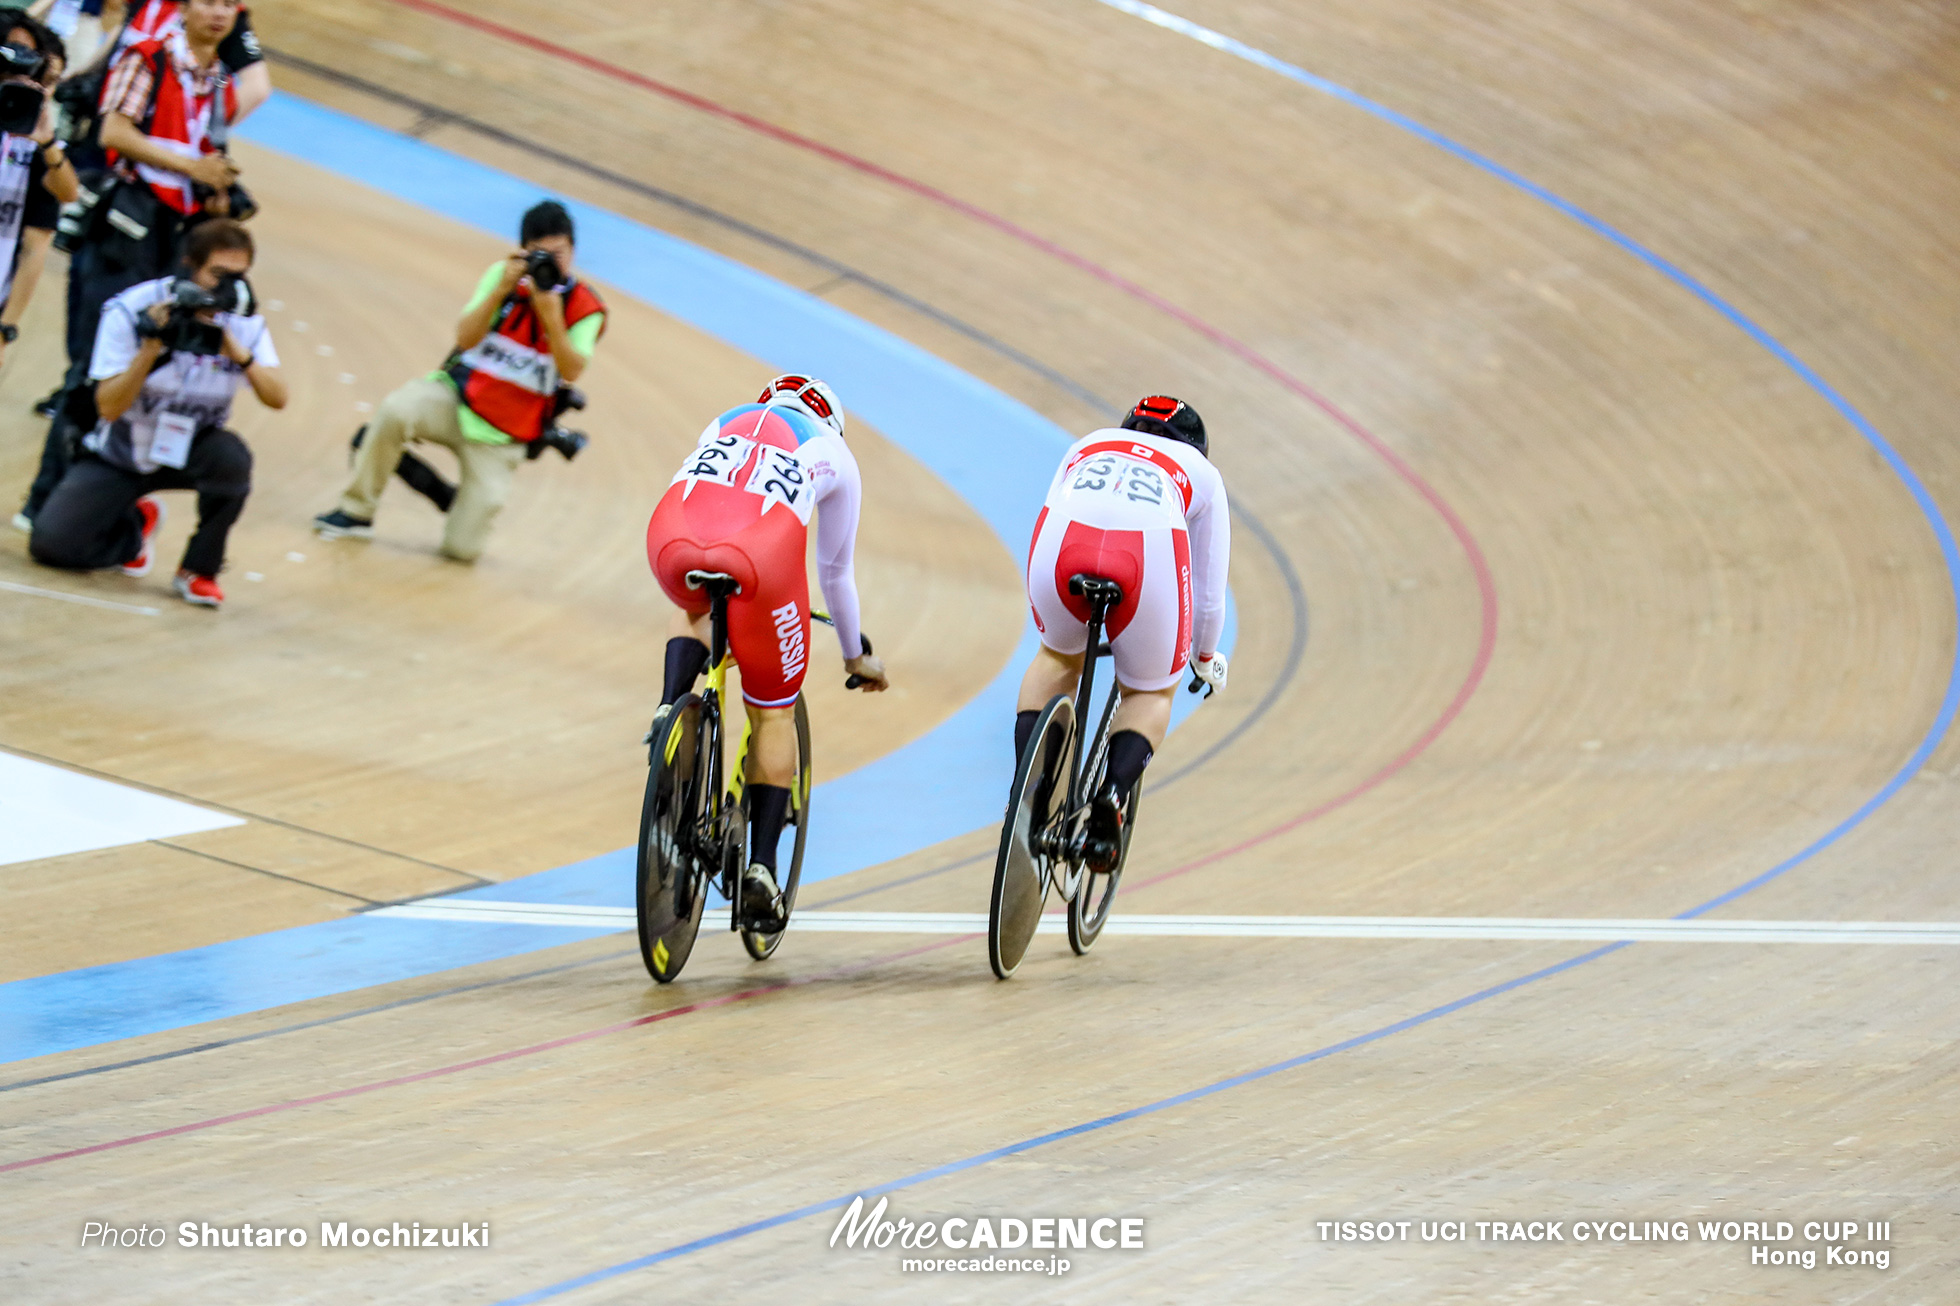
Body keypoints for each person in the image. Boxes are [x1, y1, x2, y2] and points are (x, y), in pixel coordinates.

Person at [646, 375, 889, 925]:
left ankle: (669, 706)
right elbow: (834, 573)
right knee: (773, 706)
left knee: (694, 606)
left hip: (670, 539)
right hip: (758, 560)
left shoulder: (725, 420)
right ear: (831, 423)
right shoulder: (835, 454)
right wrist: (854, 654)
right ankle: (760, 868)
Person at [312, 200, 607, 562]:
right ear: (523, 252)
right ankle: (356, 511)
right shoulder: (503, 277)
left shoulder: (586, 307)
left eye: (558, 254)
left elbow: (572, 370)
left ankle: (443, 494)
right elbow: (466, 338)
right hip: (457, 399)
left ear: (573, 251)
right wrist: (500, 291)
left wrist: (550, 315)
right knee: (395, 411)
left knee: (462, 550)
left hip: (506, 434)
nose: (550, 263)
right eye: (540, 254)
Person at [1013, 396, 1230, 868]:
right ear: (1195, 446)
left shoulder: (1090, 442)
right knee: (1150, 693)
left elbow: (1050, 510)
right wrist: (1206, 656)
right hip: (1145, 561)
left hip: (1061, 550)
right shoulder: (1202, 473)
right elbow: (1210, 590)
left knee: (1056, 657)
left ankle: (1028, 781)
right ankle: (1109, 799)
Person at [27, 216, 284, 606]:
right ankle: (134, 528)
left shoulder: (244, 321)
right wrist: (149, 349)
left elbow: (278, 398)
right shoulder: (132, 310)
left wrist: (238, 352)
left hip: (190, 448)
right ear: (188, 265)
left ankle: (199, 569)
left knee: (232, 459)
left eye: (239, 275)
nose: (230, 287)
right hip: (120, 450)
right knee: (53, 546)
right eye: (218, 274)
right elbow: (108, 407)